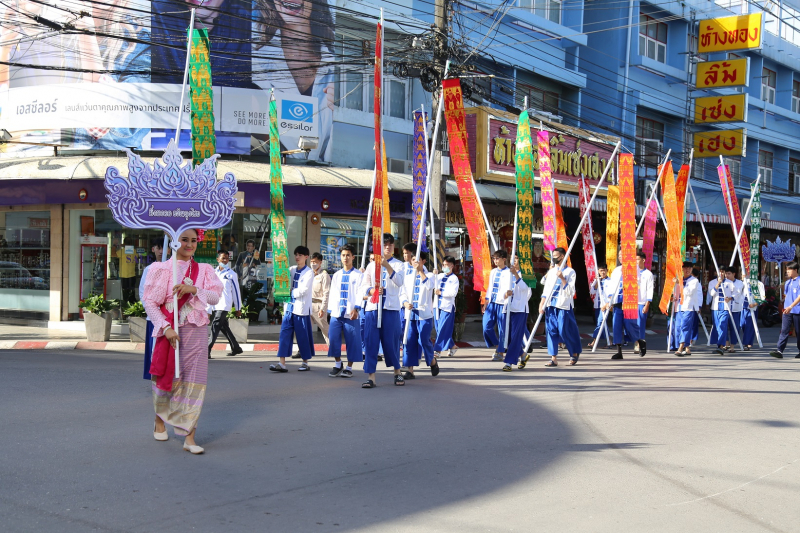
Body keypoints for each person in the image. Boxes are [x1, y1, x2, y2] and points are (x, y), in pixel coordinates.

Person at [142, 228, 223, 455]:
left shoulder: (204, 270)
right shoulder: (161, 269)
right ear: (174, 242)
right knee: (168, 377)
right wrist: (165, 328)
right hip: (170, 331)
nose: (189, 245)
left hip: (196, 331)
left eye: (193, 240)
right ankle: (159, 420)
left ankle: (190, 436)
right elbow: (150, 302)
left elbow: (216, 296)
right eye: (184, 240)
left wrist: (194, 289)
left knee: (194, 383)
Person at [358, 233, 406, 388]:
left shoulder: (399, 265)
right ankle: (371, 376)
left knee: (391, 342)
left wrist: (387, 266)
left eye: (390, 244)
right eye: (384, 244)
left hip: (390, 309)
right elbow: (364, 286)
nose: (387, 247)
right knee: (371, 342)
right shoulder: (371, 265)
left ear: (393, 246)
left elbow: (399, 282)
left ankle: (397, 373)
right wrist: (372, 291)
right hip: (373, 309)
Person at [270, 246, 315, 372]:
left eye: (300, 255)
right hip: (289, 307)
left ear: (306, 257)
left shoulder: (309, 272)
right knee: (284, 334)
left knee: (302, 336)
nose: (297, 257)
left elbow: (304, 290)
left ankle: (305, 362)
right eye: (296, 254)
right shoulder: (291, 269)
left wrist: (289, 291)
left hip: (301, 309)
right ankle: (282, 363)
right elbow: (283, 279)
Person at [540, 247, 582, 366]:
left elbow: (571, 292)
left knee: (565, 330)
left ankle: (574, 352)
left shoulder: (570, 272)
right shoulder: (552, 271)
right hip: (550, 305)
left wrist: (562, 278)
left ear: (562, 257)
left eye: (556, 256)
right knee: (551, 331)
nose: (553, 258)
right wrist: (542, 303)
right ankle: (553, 358)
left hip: (563, 305)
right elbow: (546, 288)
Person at [326, 244, 363, 378]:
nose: (345, 258)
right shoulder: (336, 275)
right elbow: (332, 293)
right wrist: (330, 312)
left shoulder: (359, 275)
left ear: (353, 257)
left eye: (348, 255)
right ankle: (338, 364)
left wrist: (357, 308)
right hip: (337, 313)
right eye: (343, 255)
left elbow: (360, 293)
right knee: (333, 338)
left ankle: (349, 367)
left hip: (351, 314)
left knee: (352, 341)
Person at [401, 252, 438, 379]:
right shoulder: (407, 276)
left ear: (423, 261)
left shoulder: (430, 275)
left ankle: (432, 361)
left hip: (424, 315)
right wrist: (405, 303)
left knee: (423, 339)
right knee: (409, 340)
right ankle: (410, 370)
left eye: (417, 260)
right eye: (412, 260)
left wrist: (420, 272)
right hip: (410, 314)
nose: (414, 262)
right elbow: (402, 292)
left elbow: (429, 286)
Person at [602, 258, 641, 360]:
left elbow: (637, 281)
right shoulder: (616, 270)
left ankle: (638, 341)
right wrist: (610, 299)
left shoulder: (634, 268)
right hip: (617, 302)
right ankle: (619, 351)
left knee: (630, 325)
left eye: (622, 255)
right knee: (616, 327)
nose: (621, 257)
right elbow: (612, 285)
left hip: (629, 301)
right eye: (619, 255)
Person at [207, 250, 243, 359]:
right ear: (218, 259)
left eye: (227, 258)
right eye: (223, 258)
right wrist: (208, 307)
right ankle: (236, 347)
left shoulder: (231, 274)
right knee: (223, 327)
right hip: (215, 304)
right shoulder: (213, 273)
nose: (225, 260)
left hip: (224, 304)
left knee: (215, 325)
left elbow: (236, 292)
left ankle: (207, 349)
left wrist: (238, 307)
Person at [140, 237, 166, 380]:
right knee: (154, 351)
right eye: (159, 248)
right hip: (154, 318)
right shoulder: (149, 270)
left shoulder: (174, 268)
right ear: (153, 249)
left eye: (164, 247)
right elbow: (143, 294)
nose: (162, 251)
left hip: (170, 318)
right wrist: (153, 312)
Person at [502, 257, 532, 372]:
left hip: (520, 310)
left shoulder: (527, 274)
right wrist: (505, 294)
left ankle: (509, 362)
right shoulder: (506, 274)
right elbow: (502, 292)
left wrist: (516, 274)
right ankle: (523, 355)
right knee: (508, 337)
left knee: (515, 337)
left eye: (516, 259)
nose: (514, 261)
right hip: (507, 308)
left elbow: (526, 290)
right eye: (512, 259)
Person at [483, 249, 512, 362]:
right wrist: (486, 300)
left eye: (497, 258)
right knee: (486, 326)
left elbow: (512, 287)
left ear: (504, 259)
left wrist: (507, 294)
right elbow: (490, 286)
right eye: (494, 258)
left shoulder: (509, 272)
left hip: (502, 303)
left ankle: (500, 352)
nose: (495, 260)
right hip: (492, 302)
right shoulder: (493, 272)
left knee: (502, 329)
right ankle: (497, 345)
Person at [770, 261, 800, 358]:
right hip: (787, 311)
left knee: (798, 331)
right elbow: (786, 295)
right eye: (786, 270)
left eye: (789, 270)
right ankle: (779, 350)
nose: (787, 272)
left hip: (797, 310)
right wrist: (784, 301)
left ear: (795, 270)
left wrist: (791, 306)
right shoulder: (787, 282)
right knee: (784, 330)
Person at [433, 256, 460, 358]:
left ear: (452, 266)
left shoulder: (454, 278)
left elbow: (453, 293)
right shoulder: (439, 276)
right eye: (443, 264)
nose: (444, 266)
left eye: (446, 265)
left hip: (447, 307)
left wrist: (441, 292)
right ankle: (452, 346)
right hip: (436, 306)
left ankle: (437, 350)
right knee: (439, 329)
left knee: (443, 328)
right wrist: (433, 275)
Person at [673, 262, 701, 356]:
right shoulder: (678, 279)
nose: (687, 270)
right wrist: (673, 298)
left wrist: (680, 284)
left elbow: (689, 292)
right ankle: (687, 348)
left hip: (688, 307)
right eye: (685, 268)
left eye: (689, 268)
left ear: (692, 269)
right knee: (677, 328)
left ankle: (680, 348)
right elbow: (676, 293)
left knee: (685, 326)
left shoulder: (694, 281)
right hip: (679, 306)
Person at [707, 269, 736, 354]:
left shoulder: (729, 283)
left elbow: (736, 293)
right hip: (716, 307)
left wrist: (730, 298)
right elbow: (712, 293)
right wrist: (718, 284)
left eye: (723, 272)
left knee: (723, 325)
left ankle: (721, 346)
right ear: (716, 272)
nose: (721, 273)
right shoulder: (712, 282)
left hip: (725, 307)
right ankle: (719, 345)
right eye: (719, 272)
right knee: (717, 326)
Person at [309, 252, 331, 347]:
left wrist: (323, 308)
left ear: (320, 262)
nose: (313, 264)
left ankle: (333, 348)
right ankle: (303, 350)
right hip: (308, 304)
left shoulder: (324, 275)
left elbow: (326, 293)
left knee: (325, 329)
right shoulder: (309, 274)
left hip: (319, 305)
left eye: (315, 262)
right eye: (311, 261)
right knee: (306, 329)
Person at [587, 264, 610, 348]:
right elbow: (592, 292)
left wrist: (608, 304)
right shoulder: (597, 280)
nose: (603, 272)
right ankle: (609, 341)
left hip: (605, 306)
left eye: (604, 270)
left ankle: (594, 341)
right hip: (598, 305)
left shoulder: (610, 281)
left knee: (600, 322)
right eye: (601, 271)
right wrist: (597, 281)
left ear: (607, 270)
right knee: (602, 323)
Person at [635, 252, 654, 357]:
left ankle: (640, 345)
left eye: (637, 259)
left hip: (642, 303)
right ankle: (636, 342)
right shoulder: (632, 273)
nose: (636, 262)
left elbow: (650, 290)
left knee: (640, 324)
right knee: (632, 325)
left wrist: (647, 304)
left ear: (643, 260)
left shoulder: (648, 274)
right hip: (632, 303)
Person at [741, 278, 766, 350]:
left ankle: (747, 343)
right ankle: (748, 341)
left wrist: (755, 304)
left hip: (752, 308)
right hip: (742, 307)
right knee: (742, 324)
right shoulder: (744, 282)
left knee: (749, 326)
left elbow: (762, 297)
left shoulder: (759, 284)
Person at [116, 236, 139, 306]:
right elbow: (136, 260)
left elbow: (114, 254)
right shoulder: (134, 251)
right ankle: (132, 304)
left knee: (125, 290)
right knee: (132, 290)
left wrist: (118, 246)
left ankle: (125, 304)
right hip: (132, 274)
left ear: (124, 243)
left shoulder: (122, 251)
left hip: (124, 274)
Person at [728, 266, 745, 348]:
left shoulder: (739, 283)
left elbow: (737, 293)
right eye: (726, 273)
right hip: (725, 308)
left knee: (734, 327)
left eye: (729, 274)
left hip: (735, 308)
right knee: (723, 327)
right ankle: (726, 343)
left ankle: (732, 345)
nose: (727, 275)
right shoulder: (724, 282)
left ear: (734, 274)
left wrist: (730, 297)